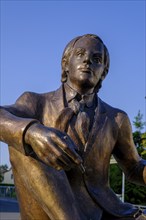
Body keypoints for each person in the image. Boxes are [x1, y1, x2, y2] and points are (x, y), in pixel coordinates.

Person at [0, 34, 146, 220]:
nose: (87, 60)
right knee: (23, 138)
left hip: (104, 210)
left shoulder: (116, 119)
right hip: (50, 213)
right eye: (80, 54)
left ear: (104, 71)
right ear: (65, 64)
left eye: (97, 59)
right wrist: (31, 132)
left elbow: (134, 167)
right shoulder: (36, 103)